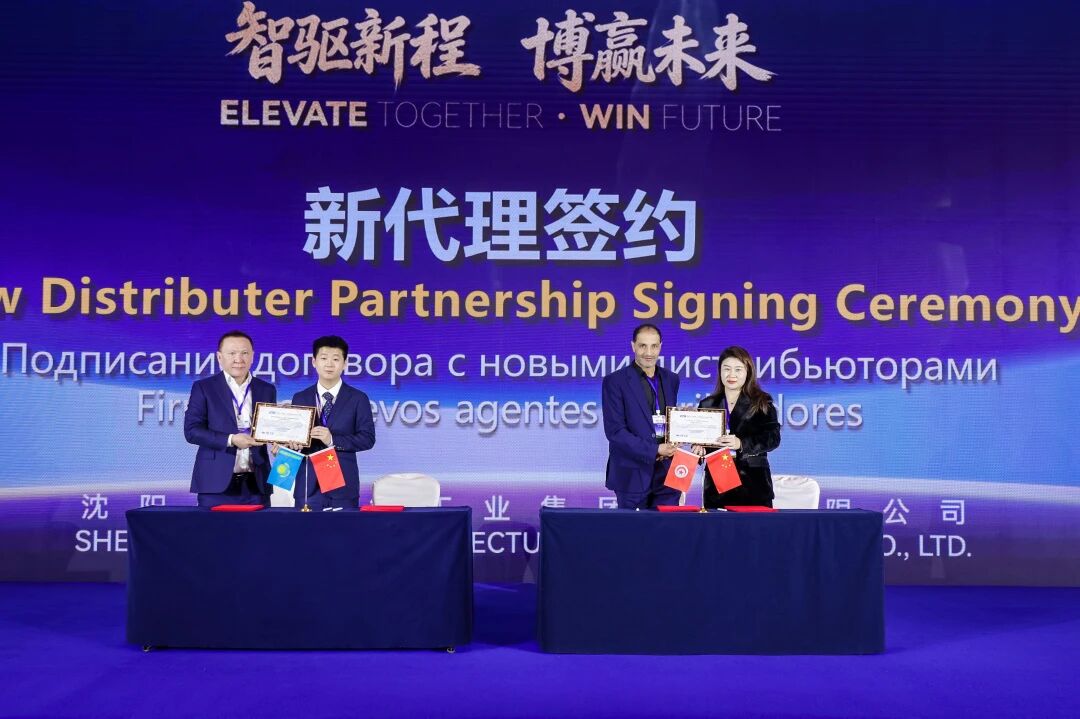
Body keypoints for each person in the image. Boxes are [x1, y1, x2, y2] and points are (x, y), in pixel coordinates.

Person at [183, 330, 277, 507]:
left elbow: (271, 428)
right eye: (232, 353)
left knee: (260, 526)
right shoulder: (203, 387)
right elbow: (192, 431)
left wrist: (281, 441)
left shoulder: (267, 389)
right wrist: (231, 439)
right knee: (213, 527)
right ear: (219, 357)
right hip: (215, 482)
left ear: (252, 356)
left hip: (256, 483)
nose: (238, 359)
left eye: (244, 353)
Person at [290, 335, 375, 510]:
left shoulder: (358, 398)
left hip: (342, 487)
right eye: (323, 358)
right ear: (314, 362)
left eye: (336, 359)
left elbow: (367, 439)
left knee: (343, 529)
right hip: (308, 486)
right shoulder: (300, 397)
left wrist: (332, 440)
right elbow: (295, 436)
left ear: (345, 363)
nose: (329, 364)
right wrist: (288, 445)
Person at [601, 324, 681, 509]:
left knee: (667, 527)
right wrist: (655, 450)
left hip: (667, 475)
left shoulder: (671, 379)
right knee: (633, 528)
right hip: (632, 474)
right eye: (643, 346)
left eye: (654, 346)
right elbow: (615, 432)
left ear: (660, 346)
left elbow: (669, 420)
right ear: (633, 346)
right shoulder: (615, 381)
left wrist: (682, 427)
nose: (649, 352)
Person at [695, 346, 781, 508]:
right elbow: (702, 441)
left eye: (738, 369)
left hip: (753, 485)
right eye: (726, 369)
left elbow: (773, 438)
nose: (731, 375)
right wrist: (699, 448)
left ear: (748, 371)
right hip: (717, 486)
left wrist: (741, 443)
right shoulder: (707, 404)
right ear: (720, 371)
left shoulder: (762, 402)